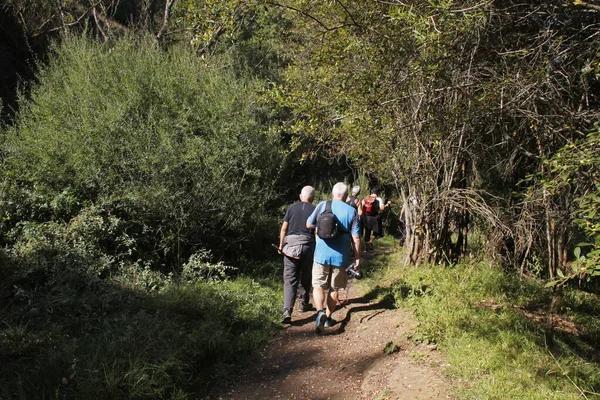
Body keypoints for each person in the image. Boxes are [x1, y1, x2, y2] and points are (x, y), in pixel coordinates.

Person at [306, 182, 361, 334]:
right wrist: (357, 258)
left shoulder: (322, 205)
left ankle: (319, 313)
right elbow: (356, 237)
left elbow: (308, 224)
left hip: (321, 254)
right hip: (341, 256)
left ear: (332, 193)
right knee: (333, 288)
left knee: (318, 285)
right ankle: (328, 318)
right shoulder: (352, 211)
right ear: (346, 195)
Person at [278, 186, 317, 324]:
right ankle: (303, 303)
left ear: (301, 196)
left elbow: (284, 228)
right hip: (307, 245)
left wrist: (281, 245)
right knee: (306, 275)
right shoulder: (315, 209)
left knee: (290, 279)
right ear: (312, 198)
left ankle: (287, 311)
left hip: (290, 247)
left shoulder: (291, 207)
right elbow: (316, 232)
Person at [362, 186, 391, 251]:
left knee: (367, 232)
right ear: (377, 193)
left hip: (366, 217)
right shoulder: (378, 199)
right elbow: (382, 208)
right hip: (375, 217)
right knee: (377, 232)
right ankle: (370, 242)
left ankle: (365, 248)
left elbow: (362, 206)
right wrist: (387, 204)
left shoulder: (366, 198)